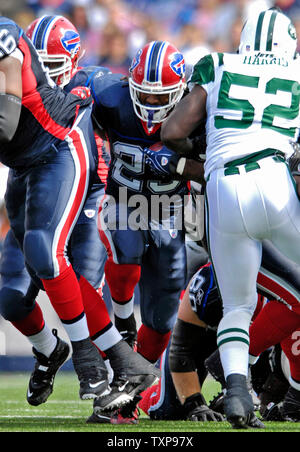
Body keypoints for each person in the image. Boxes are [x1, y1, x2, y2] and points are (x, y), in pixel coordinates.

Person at [0, 14, 159, 413]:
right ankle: (50, 351)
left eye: (53, 67)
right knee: (11, 296)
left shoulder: (96, 86)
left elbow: (142, 110)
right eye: (42, 67)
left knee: (77, 281)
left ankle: (107, 380)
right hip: (30, 177)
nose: (46, 76)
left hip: (85, 192)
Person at [160, 7, 300, 428]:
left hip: (223, 188)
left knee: (239, 305)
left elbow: (172, 133)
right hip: (275, 181)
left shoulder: (219, 63)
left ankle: (238, 394)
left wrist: (203, 158)